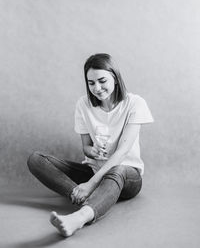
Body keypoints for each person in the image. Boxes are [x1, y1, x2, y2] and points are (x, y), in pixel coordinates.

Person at [27, 53, 154, 237]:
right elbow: (85, 147)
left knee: (118, 168)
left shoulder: (135, 103)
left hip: (127, 176)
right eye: (91, 83)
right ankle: (85, 196)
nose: (97, 88)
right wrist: (91, 151)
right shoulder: (83, 105)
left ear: (116, 78)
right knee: (36, 159)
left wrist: (90, 184)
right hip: (95, 171)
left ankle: (79, 217)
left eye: (102, 80)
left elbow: (122, 152)